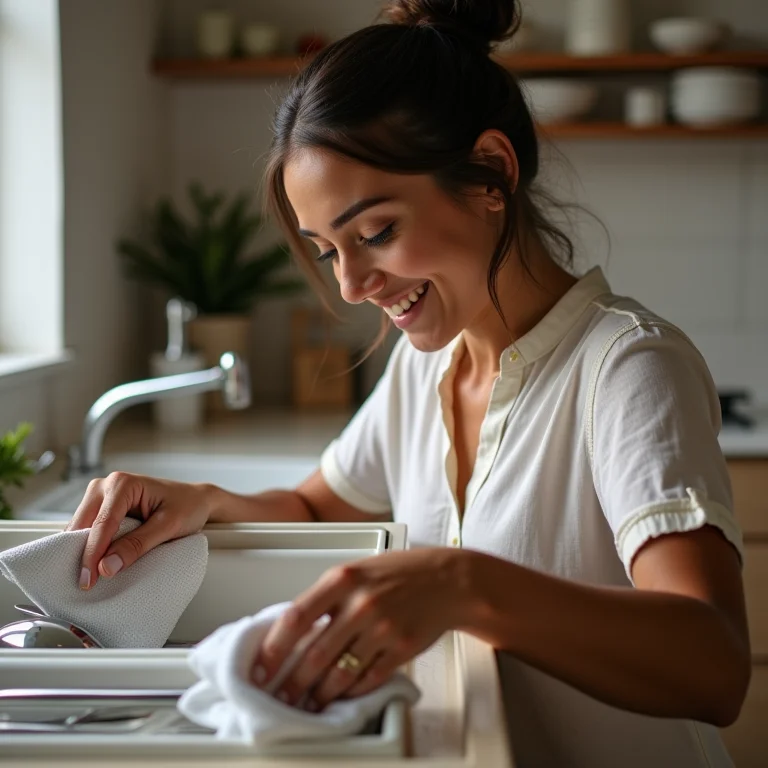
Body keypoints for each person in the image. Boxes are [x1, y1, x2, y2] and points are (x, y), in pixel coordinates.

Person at [67, 2, 750, 765]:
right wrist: (203, 502)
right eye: (329, 251)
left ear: (491, 172)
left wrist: (464, 585)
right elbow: (318, 508)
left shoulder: (625, 366)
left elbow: (714, 666)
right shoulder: (424, 363)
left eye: (377, 233)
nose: (353, 285)